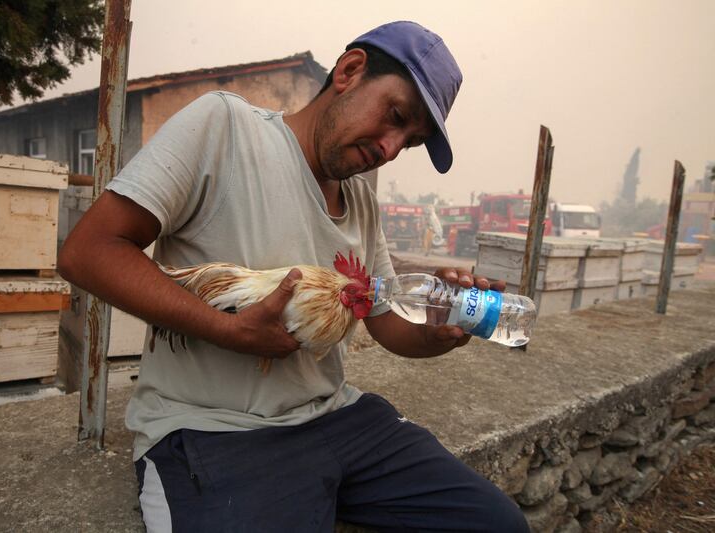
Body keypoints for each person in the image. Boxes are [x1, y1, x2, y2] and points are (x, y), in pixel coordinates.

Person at [58, 20, 529, 533]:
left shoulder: (364, 204)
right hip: (214, 429)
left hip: (338, 418)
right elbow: (89, 251)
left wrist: (440, 332)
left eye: (408, 142)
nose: (391, 149)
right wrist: (229, 330)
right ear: (350, 71)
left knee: (499, 525)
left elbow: (387, 322)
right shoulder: (225, 128)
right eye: (395, 116)